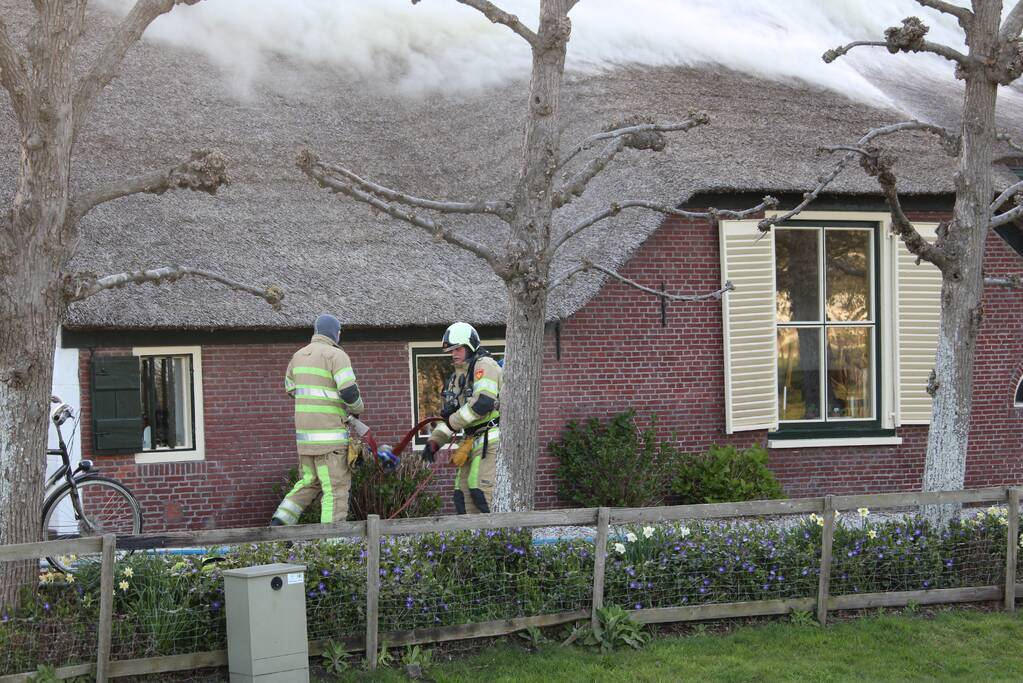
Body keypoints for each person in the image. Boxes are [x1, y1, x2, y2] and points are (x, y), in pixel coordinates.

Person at [270, 314, 365, 526]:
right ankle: (332, 540)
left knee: (309, 482)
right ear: (336, 333)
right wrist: (358, 409)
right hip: (330, 441)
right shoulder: (336, 355)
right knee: (335, 489)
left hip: (305, 441)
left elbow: (291, 389)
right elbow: (349, 392)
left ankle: (280, 522)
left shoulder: (297, 356)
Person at [421, 322, 502, 514]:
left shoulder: (485, 365)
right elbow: (453, 417)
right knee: (461, 494)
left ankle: (498, 532)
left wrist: (452, 421)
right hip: (470, 440)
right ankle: (471, 533)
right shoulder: (458, 376)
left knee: (480, 489)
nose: (454, 354)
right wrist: (435, 441)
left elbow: (483, 403)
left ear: (470, 346)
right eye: (451, 350)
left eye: (458, 349)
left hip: (490, 439)